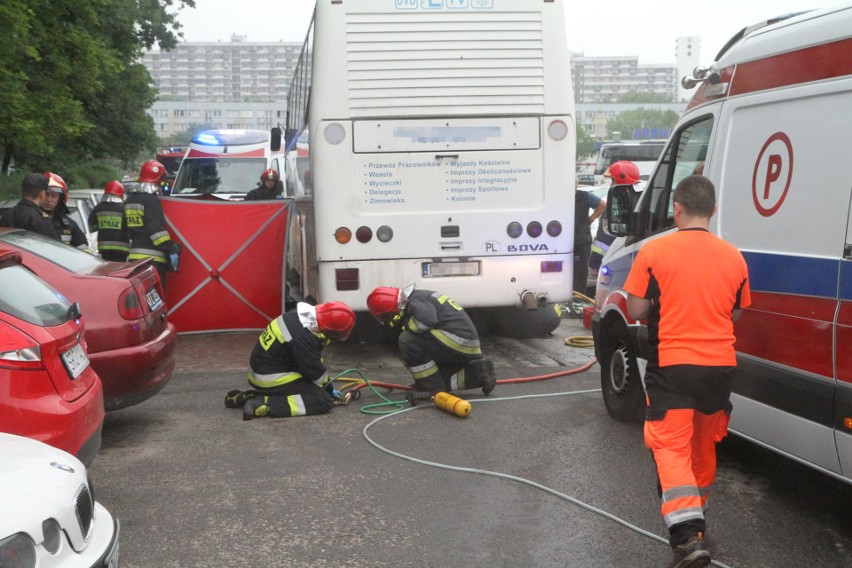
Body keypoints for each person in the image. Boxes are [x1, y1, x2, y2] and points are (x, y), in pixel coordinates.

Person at [623, 175, 751, 568]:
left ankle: (685, 536)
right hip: (720, 368)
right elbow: (737, 311)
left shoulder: (654, 252)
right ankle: (696, 519)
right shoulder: (734, 257)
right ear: (713, 210)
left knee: (670, 445)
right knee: (701, 444)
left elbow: (635, 310)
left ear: (676, 208)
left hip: (673, 365)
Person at [225, 301, 357, 420]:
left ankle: (258, 396)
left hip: (261, 372)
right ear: (330, 331)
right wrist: (329, 389)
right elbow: (314, 373)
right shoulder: (305, 338)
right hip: (269, 378)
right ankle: (265, 404)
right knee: (322, 400)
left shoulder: (295, 317)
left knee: (312, 387)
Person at [366, 284, 496, 396]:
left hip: (457, 341)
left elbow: (426, 322)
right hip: (462, 343)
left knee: (407, 340)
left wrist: (405, 326)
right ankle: (480, 372)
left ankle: (432, 388)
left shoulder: (415, 301)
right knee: (441, 378)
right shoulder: (419, 296)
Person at [126, 160, 180, 287]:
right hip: (153, 260)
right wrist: (171, 248)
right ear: (158, 179)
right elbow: (156, 231)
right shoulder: (151, 200)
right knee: (156, 300)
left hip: (134, 258)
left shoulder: (130, 199)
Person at [589, 160, 641, 275]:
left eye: (612, 180)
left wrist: (594, 262)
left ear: (620, 179)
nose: (611, 184)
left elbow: (604, 239)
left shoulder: (617, 202)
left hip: (613, 261)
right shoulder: (639, 198)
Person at [573, 174, 606, 296]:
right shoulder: (559, 197)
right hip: (564, 243)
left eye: (573, 183)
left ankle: (578, 300)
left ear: (577, 184)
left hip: (581, 242)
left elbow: (602, 204)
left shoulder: (584, 196)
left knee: (580, 274)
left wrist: (591, 219)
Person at [0, 173, 59, 239]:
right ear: (42, 194)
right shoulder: (41, 218)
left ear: (22, 191)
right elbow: (51, 245)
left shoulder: (7, 214)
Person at [42, 172, 89, 250]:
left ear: (60, 199)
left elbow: (83, 248)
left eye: (53, 196)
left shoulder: (68, 225)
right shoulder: (29, 219)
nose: (48, 199)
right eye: (46, 195)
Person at [88, 180, 129, 262]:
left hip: (104, 249)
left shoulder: (98, 207)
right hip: (122, 250)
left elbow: (92, 227)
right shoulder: (125, 208)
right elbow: (130, 227)